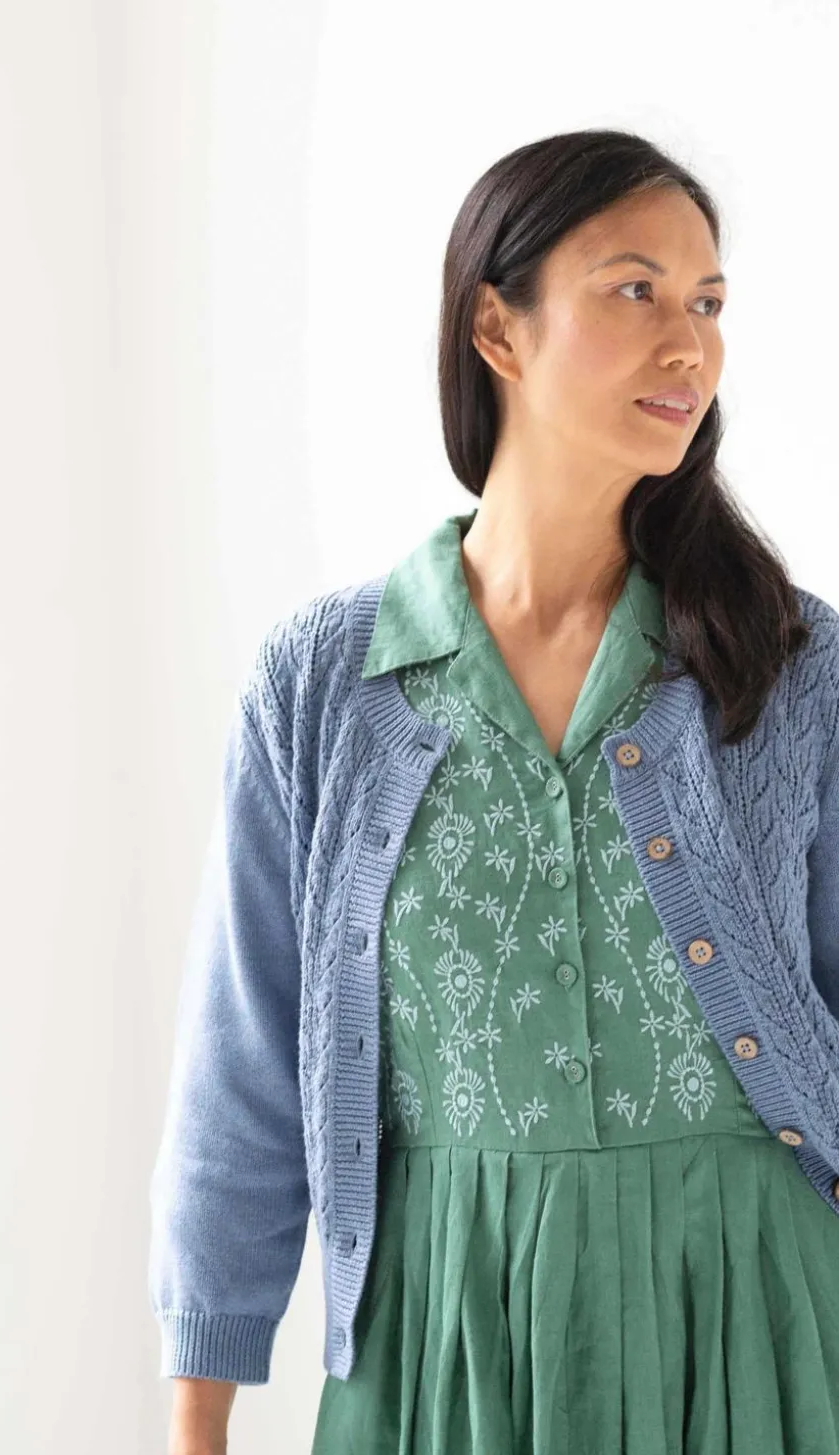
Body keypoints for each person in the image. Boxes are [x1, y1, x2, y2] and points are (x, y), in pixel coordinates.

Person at [149, 128, 839, 1454]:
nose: (687, 347)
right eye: (635, 290)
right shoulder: (324, 683)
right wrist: (197, 1420)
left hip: (757, 1312)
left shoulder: (790, 663)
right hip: (445, 1330)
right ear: (495, 327)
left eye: (707, 305)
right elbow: (243, 1065)